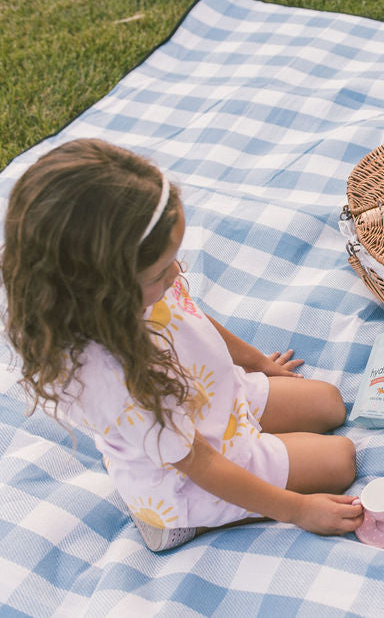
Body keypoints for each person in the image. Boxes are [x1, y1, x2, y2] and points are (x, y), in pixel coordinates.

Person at [2, 139, 363, 552]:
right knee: (341, 460)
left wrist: (259, 364)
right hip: (188, 476)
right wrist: (298, 510)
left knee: (330, 402)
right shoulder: (114, 378)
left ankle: (251, 454)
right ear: (105, 289)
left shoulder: (139, 286)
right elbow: (200, 463)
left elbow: (190, 317)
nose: (177, 274)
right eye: (160, 271)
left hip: (210, 399)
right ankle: (180, 521)